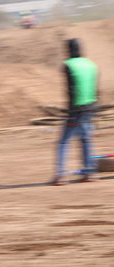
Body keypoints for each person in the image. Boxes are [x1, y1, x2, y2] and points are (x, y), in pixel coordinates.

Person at [50, 38, 99, 186]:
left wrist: (71, 111)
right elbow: (95, 87)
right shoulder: (91, 64)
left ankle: (60, 176)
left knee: (63, 141)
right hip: (91, 106)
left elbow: (71, 89)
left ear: (68, 50)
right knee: (85, 139)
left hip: (77, 109)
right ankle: (89, 173)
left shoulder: (68, 65)